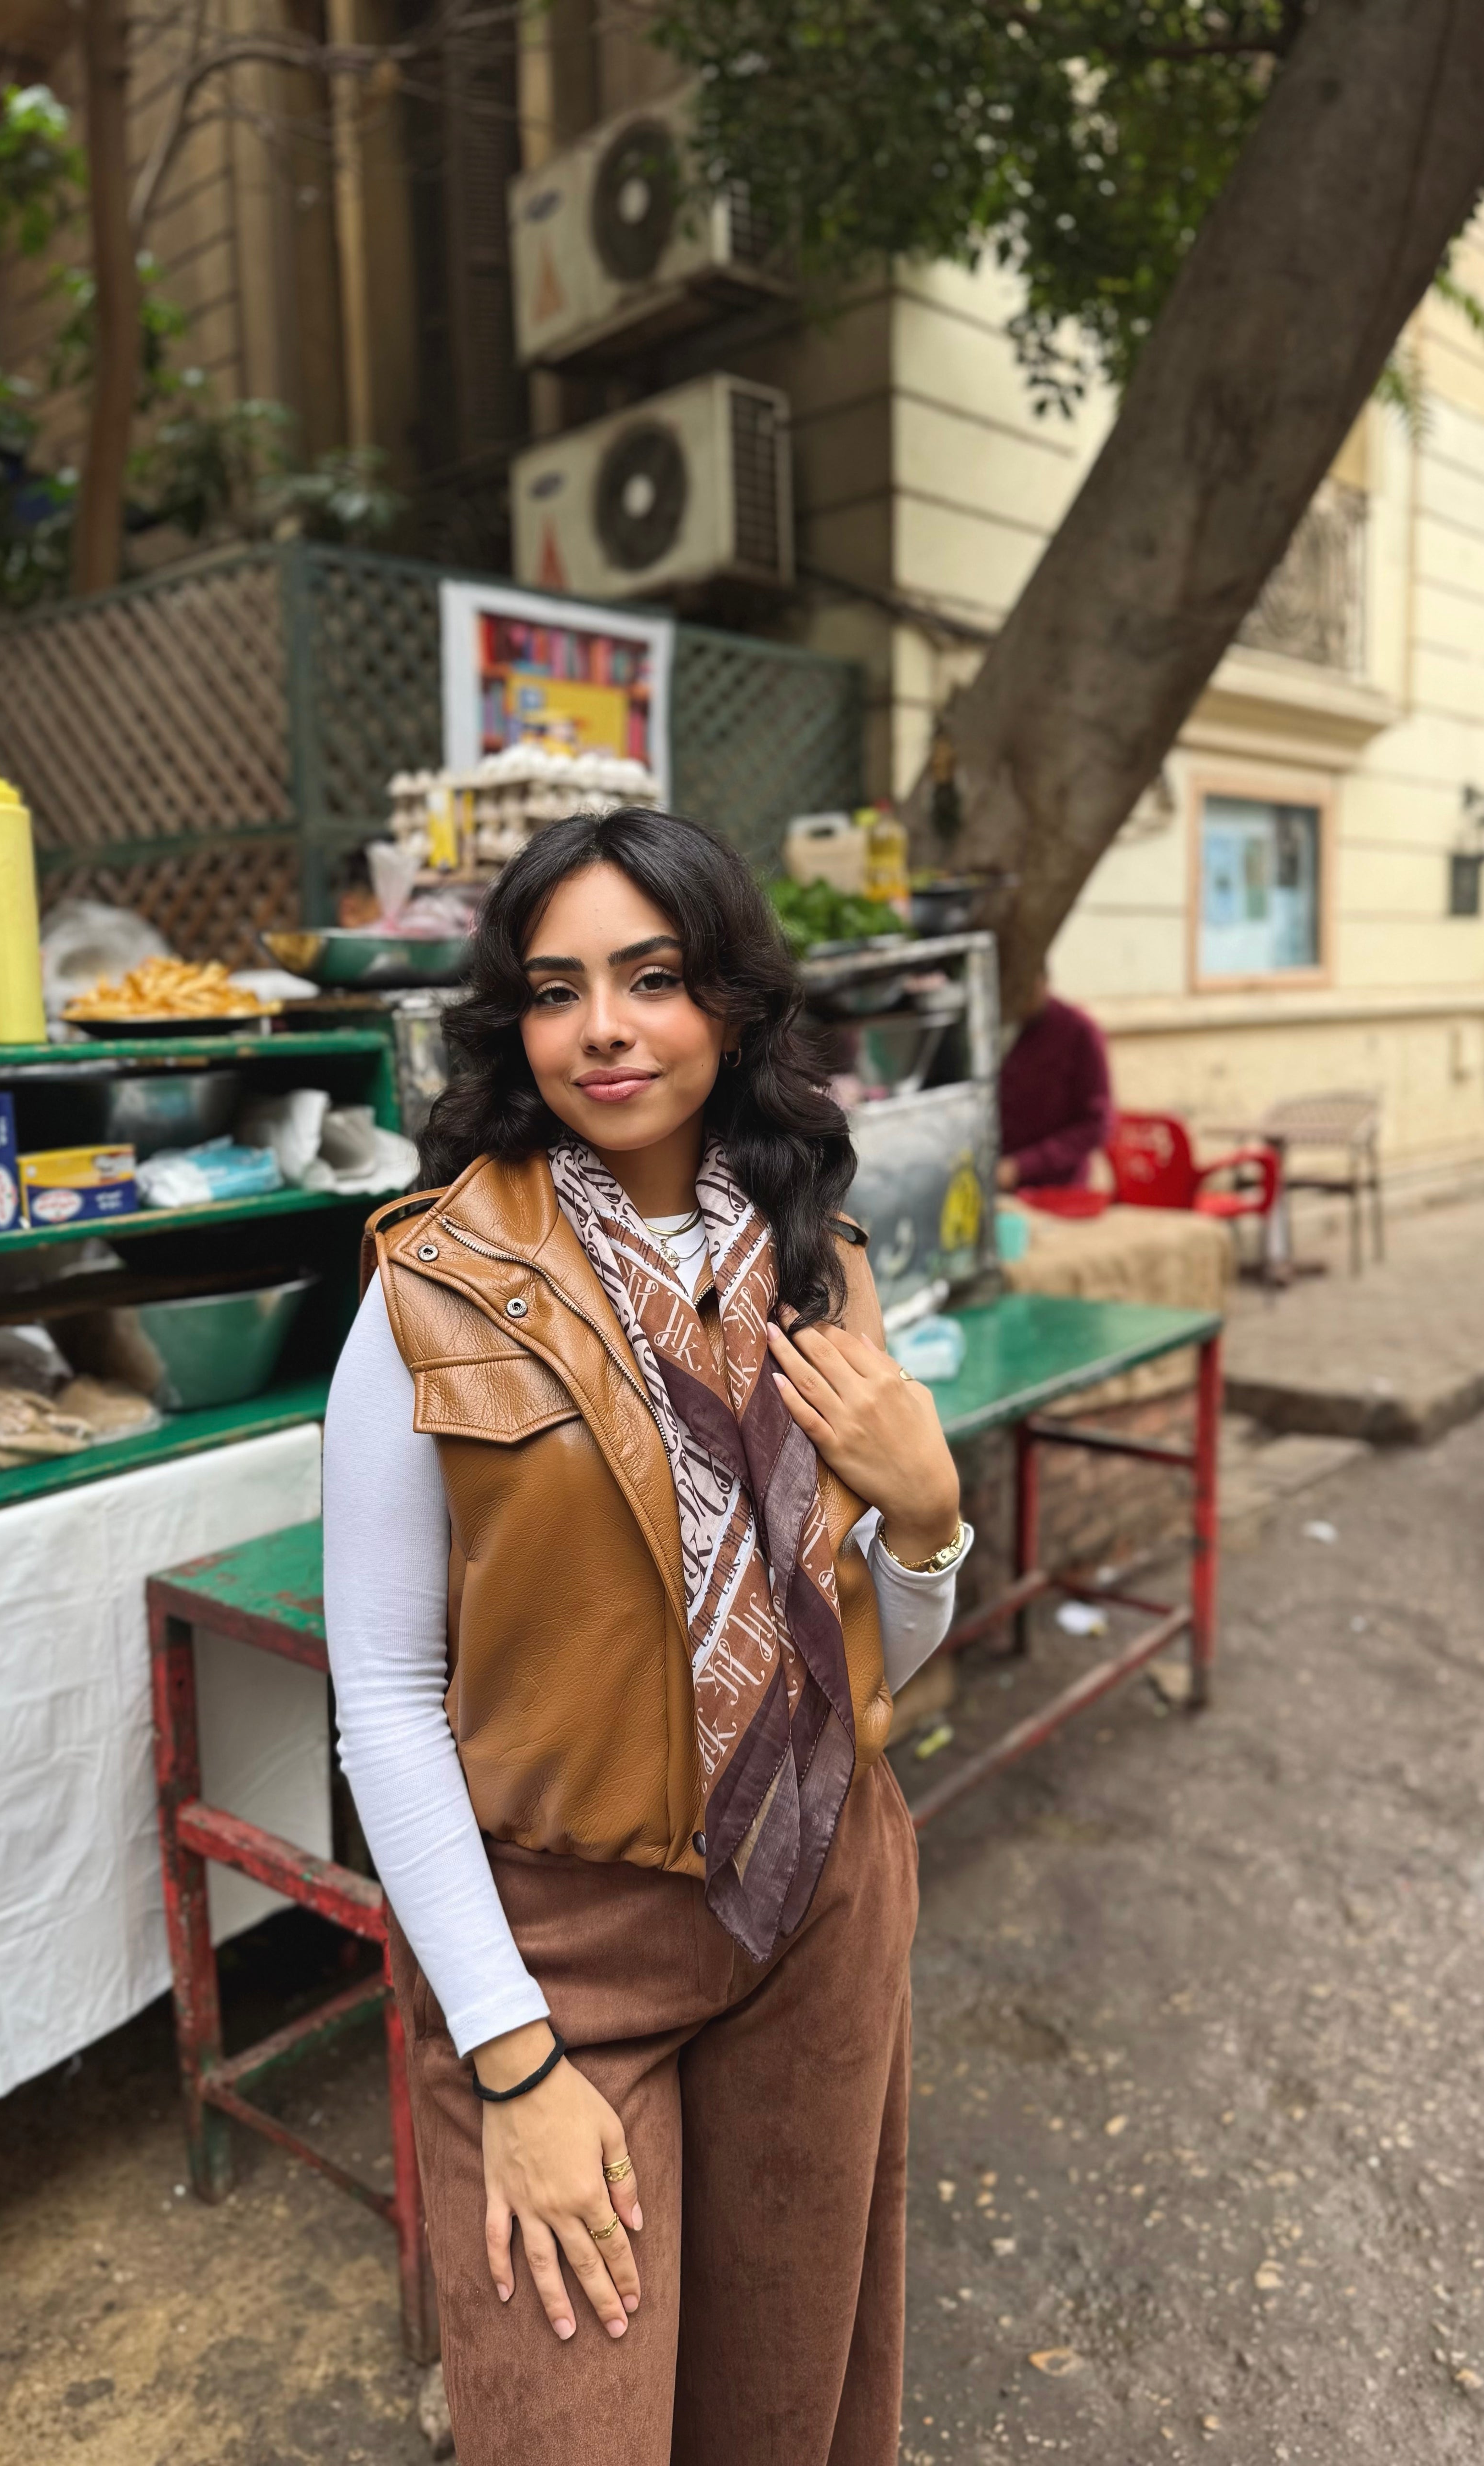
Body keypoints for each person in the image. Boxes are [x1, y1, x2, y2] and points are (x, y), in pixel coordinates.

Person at [323, 807, 972, 2466]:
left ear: (732, 1007)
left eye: (652, 976)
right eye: (557, 989)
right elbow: (387, 1703)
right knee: (573, 2425)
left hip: (819, 1893)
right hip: (562, 1947)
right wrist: (513, 2058)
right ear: (516, 1027)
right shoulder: (429, 1289)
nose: (603, 1026)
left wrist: (926, 1517)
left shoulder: (824, 1263)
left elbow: (888, 1653)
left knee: (786, 2409)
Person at [995, 965, 1115, 1191]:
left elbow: (1097, 1125)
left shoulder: (1080, 1033)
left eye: (1025, 988)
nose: (1018, 998)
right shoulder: (997, 1028)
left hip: (1060, 1191)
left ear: (1045, 979)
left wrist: (1022, 1166)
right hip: (1000, 1188)